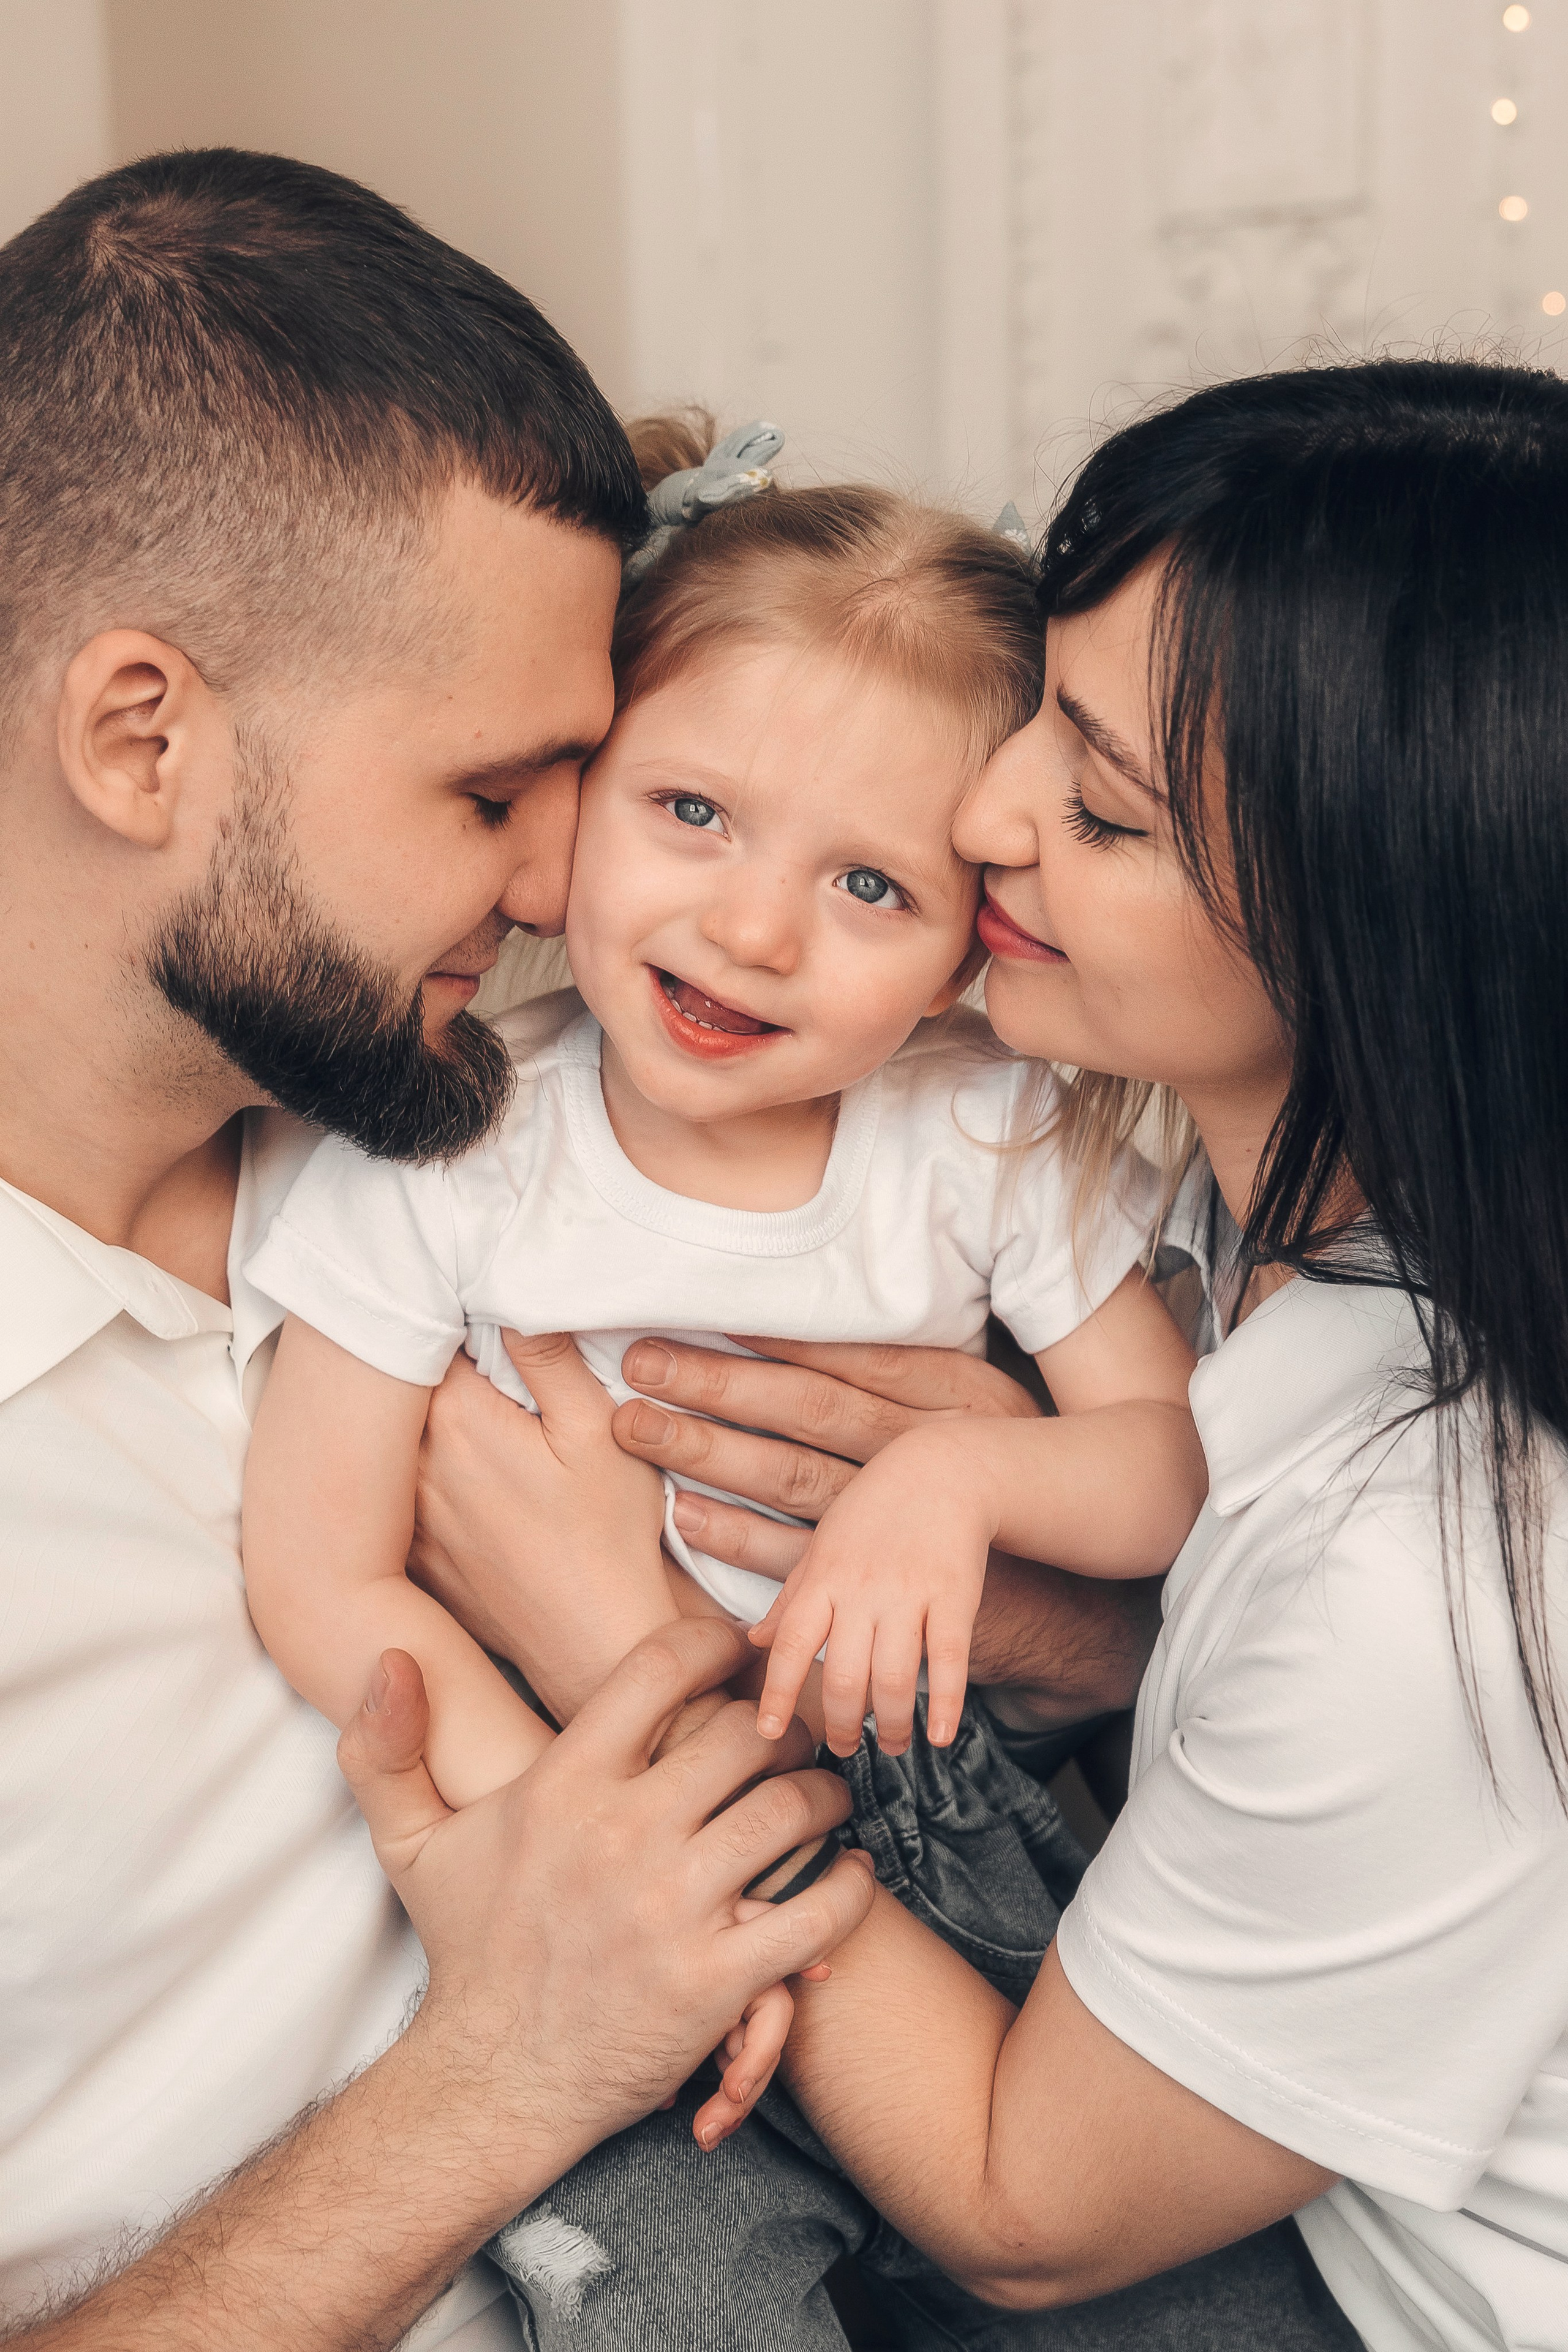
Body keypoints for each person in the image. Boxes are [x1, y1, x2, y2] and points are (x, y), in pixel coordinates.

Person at [416, 356, 1568, 2351]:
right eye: (1043, 704)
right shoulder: (1184, 1200)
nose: (986, 812)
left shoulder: (1440, 1567)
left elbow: (1031, 2212)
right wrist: (1064, 1607)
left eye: (1102, 808)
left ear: (1383, 931)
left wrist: (629, 1650)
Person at [0, 149, 891, 2349]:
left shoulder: (478, 1123)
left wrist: (1025, 1586)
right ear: (142, 737)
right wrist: (510, 2062)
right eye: (491, 794)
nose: (557, 881)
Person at [238, 408, 1200, 1836]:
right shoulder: (451, 1139)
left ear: (964, 956)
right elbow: (320, 1572)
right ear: (577, 794)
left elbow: (1176, 1471)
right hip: (563, 1779)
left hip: (930, 1799)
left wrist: (959, 1477)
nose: (750, 930)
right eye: (690, 808)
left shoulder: (981, 1124)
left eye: (868, 886)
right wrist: (587, 1829)